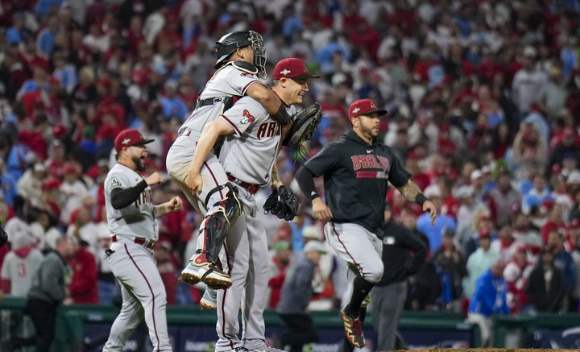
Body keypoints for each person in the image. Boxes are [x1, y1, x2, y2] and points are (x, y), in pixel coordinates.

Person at [188, 57, 317, 352]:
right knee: (237, 266)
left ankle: (255, 341)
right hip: (230, 190)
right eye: (301, 81)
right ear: (282, 81)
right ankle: (227, 341)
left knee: (261, 270)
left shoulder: (284, 114)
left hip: (252, 195)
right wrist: (196, 171)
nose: (306, 88)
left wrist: (275, 183)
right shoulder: (256, 105)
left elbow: (266, 154)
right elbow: (213, 130)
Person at [295, 98, 437, 348]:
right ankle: (350, 313)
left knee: (360, 296)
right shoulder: (340, 148)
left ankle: (350, 322)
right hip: (345, 225)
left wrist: (423, 200)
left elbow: (403, 183)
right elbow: (304, 172)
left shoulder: (384, 152)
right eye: (370, 116)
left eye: (378, 116)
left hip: (374, 232)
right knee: (374, 271)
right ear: (355, 120)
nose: (376, 120)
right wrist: (316, 200)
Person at [166, 31, 296, 290]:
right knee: (228, 202)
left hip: (194, 148)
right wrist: (287, 121)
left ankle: (212, 292)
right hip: (194, 150)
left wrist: (275, 181)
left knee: (222, 219)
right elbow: (266, 97)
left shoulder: (226, 78)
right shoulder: (234, 69)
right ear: (238, 52)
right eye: (251, 47)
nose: (256, 52)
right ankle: (200, 260)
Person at [102, 129, 184, 352]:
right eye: (140, 145)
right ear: (125, 150)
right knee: (156, 295)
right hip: (129, 247)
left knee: (132, 312)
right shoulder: (117, 173)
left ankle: (111, 350)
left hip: (137, 248)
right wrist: (145, 183)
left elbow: (139, 212)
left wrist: (165, 207)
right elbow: (119, 200)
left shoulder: (134, 177)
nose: (146, 149)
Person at [369, 205, 427, 351]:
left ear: (390, 213)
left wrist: (409, 270)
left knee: (386, 327)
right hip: (376, 287)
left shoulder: (398, 231)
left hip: (394, 286)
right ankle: (403, 348)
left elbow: (421, 248)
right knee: (378, 325)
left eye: (386, 211)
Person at [9, 236, 74, 352]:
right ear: (61, 245)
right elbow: (48, 284)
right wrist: (62, 297)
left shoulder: (58, 260)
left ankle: (14, 342)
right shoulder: (54, 259)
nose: (72, 247)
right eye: (70, 244)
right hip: (41, 302)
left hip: (41, 302)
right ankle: (13, 342)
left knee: (44, 336)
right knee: (46, 337)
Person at [275, 240, 327, 352]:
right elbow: (300, 287)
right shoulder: (306, 266)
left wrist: (312, 292)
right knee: (311, 335)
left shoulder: (302, 264)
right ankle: (282, 340)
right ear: (310, 253)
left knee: (298, 337)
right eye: (318, 253)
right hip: (293, 309)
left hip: (287, 307)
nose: (319, 257)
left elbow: (299, 287)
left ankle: (286, 342)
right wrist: (304, 306)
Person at [466, 260, 510, 347]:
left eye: (501, 269)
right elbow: (482, 296)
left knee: (491, 342)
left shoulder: (502, 281)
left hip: (490, 315)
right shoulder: (484, 278)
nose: (499, 270)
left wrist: (507, 311)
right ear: (492, 268)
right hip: (478, 313)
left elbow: (502, 299)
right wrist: (496, 310)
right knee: (484, 337)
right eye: (497, 268)